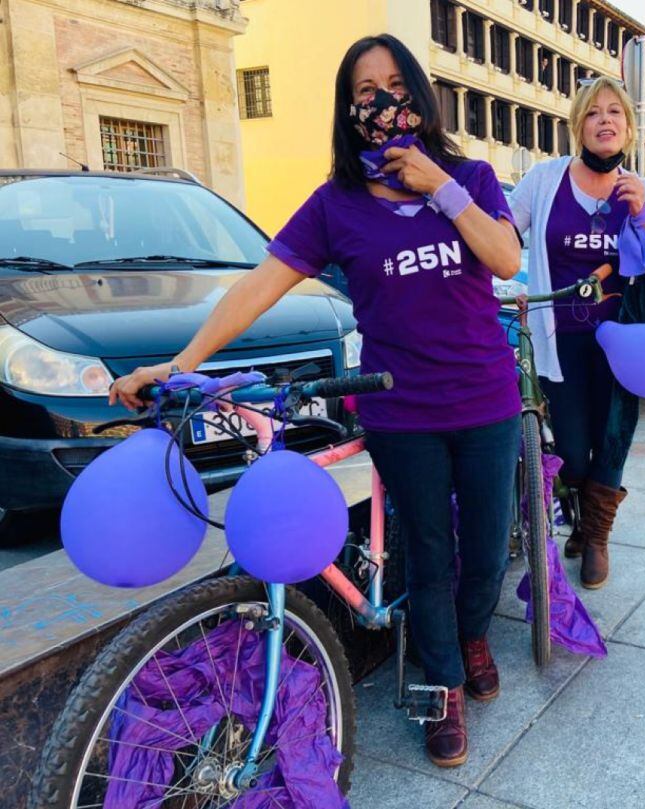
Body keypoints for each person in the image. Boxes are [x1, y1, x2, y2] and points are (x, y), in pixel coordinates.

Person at [110, 34, 522, 768]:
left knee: (485, 548)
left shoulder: (473, 176)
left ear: (421, 96)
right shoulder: (335, 205)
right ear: (348, 109)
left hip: (486, 397)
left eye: (396, 84)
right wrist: (177, 363)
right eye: (366, 92)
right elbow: (256, 288)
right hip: (403, 410)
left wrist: (439, 185)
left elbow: (505, 258)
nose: (384, 101)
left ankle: (471, 632)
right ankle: (444, 684)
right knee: (429, 553)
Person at [509, 76, 645, 590]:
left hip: (624, 342)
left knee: (613, 439)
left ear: (629, 128)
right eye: (594, 112)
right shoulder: (544, 180)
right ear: (578, 124)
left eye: (615, 112)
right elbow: (503, 239)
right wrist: (505, 288)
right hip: (561, 337)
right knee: (573, 448)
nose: (605, 120)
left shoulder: (641, 189)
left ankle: (595, 537)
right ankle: (576, 502)